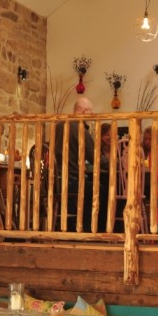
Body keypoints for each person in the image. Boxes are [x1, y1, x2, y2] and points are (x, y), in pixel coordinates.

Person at [54, 97, 108, 232]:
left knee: (89, 185)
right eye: (90, 113)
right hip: (70, 181)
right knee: (99, 189)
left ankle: (71, 224)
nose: (91, 116)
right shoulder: (80, 129)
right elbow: (96, 159)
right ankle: (89, 228)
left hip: (54, 181)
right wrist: (116, 163)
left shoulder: (58, 125)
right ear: (84, 112)